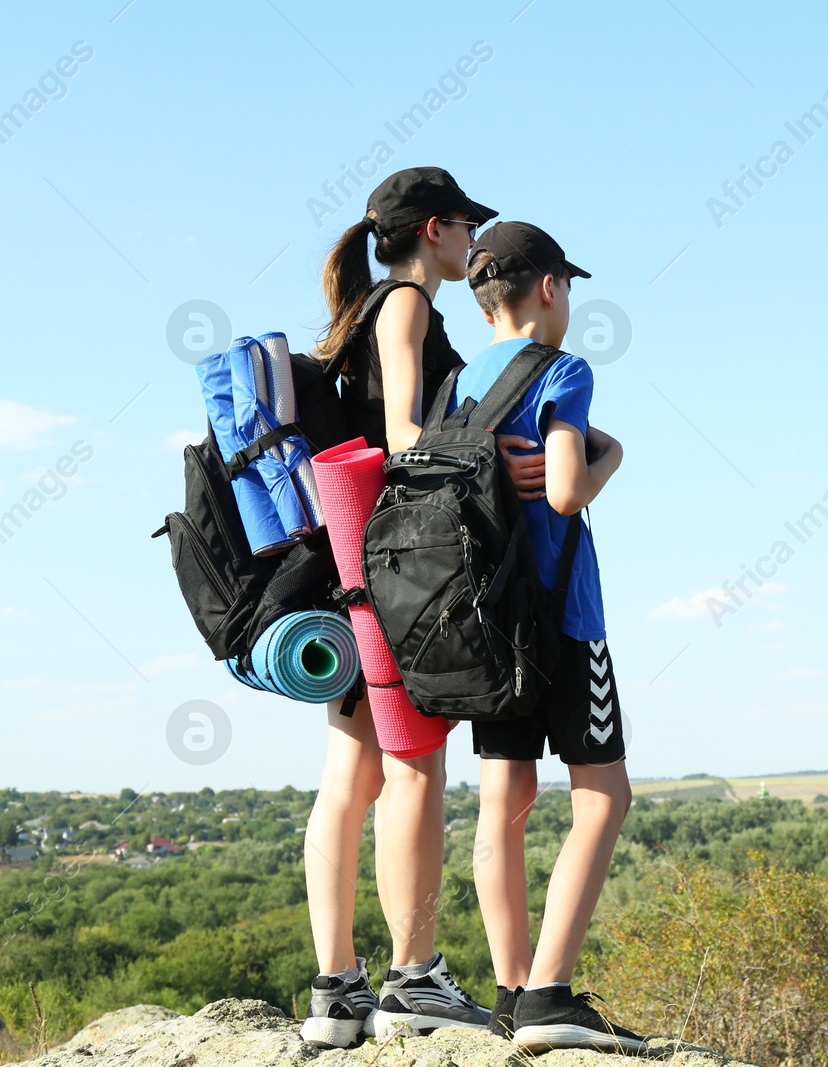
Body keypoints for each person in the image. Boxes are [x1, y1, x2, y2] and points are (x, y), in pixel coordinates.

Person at [299, 168, 540, 1048]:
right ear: (434, 228)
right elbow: (404, 432)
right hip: (393, 569)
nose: (473, 239)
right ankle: (415, 975)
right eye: (467, 223)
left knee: (350, 780)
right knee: (415, 770)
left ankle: (337, 990)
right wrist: (487, 452)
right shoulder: (404, 304)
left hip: (349, 565)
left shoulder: (363, 310)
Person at [450, 222, 641, 1052]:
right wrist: (613, 456)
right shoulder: (564, 370)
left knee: (504, 801)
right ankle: (553, 996)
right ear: (551, 288)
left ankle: (510, 989)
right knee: (604, 795)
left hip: (487, 626)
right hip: (563, 618)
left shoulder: (457, 384)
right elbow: (565, 492)